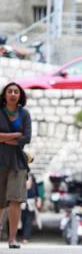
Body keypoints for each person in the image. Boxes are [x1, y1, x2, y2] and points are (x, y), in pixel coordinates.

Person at [0, 82, 32, 248]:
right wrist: (15, 136)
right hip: (0, 161)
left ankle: (12, 239)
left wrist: (3, 138)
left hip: (18, 163)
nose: (13, 94)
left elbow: (26, 138)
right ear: (4, 95)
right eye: (9, 91)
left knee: (15, 201)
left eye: (16, 92)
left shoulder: (24, 114)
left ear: (20, 95)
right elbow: (19, 137)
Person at [20, 173, 42, 243]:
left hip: (31, 206)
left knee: (28, 222)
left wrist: (38, 201)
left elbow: (38, 195)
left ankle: (25, 238)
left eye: (29, 180)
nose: (28, 181)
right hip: (21, 205)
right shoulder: (20, 187)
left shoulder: (34, 187)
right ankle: (21, 236)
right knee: (21, 221)